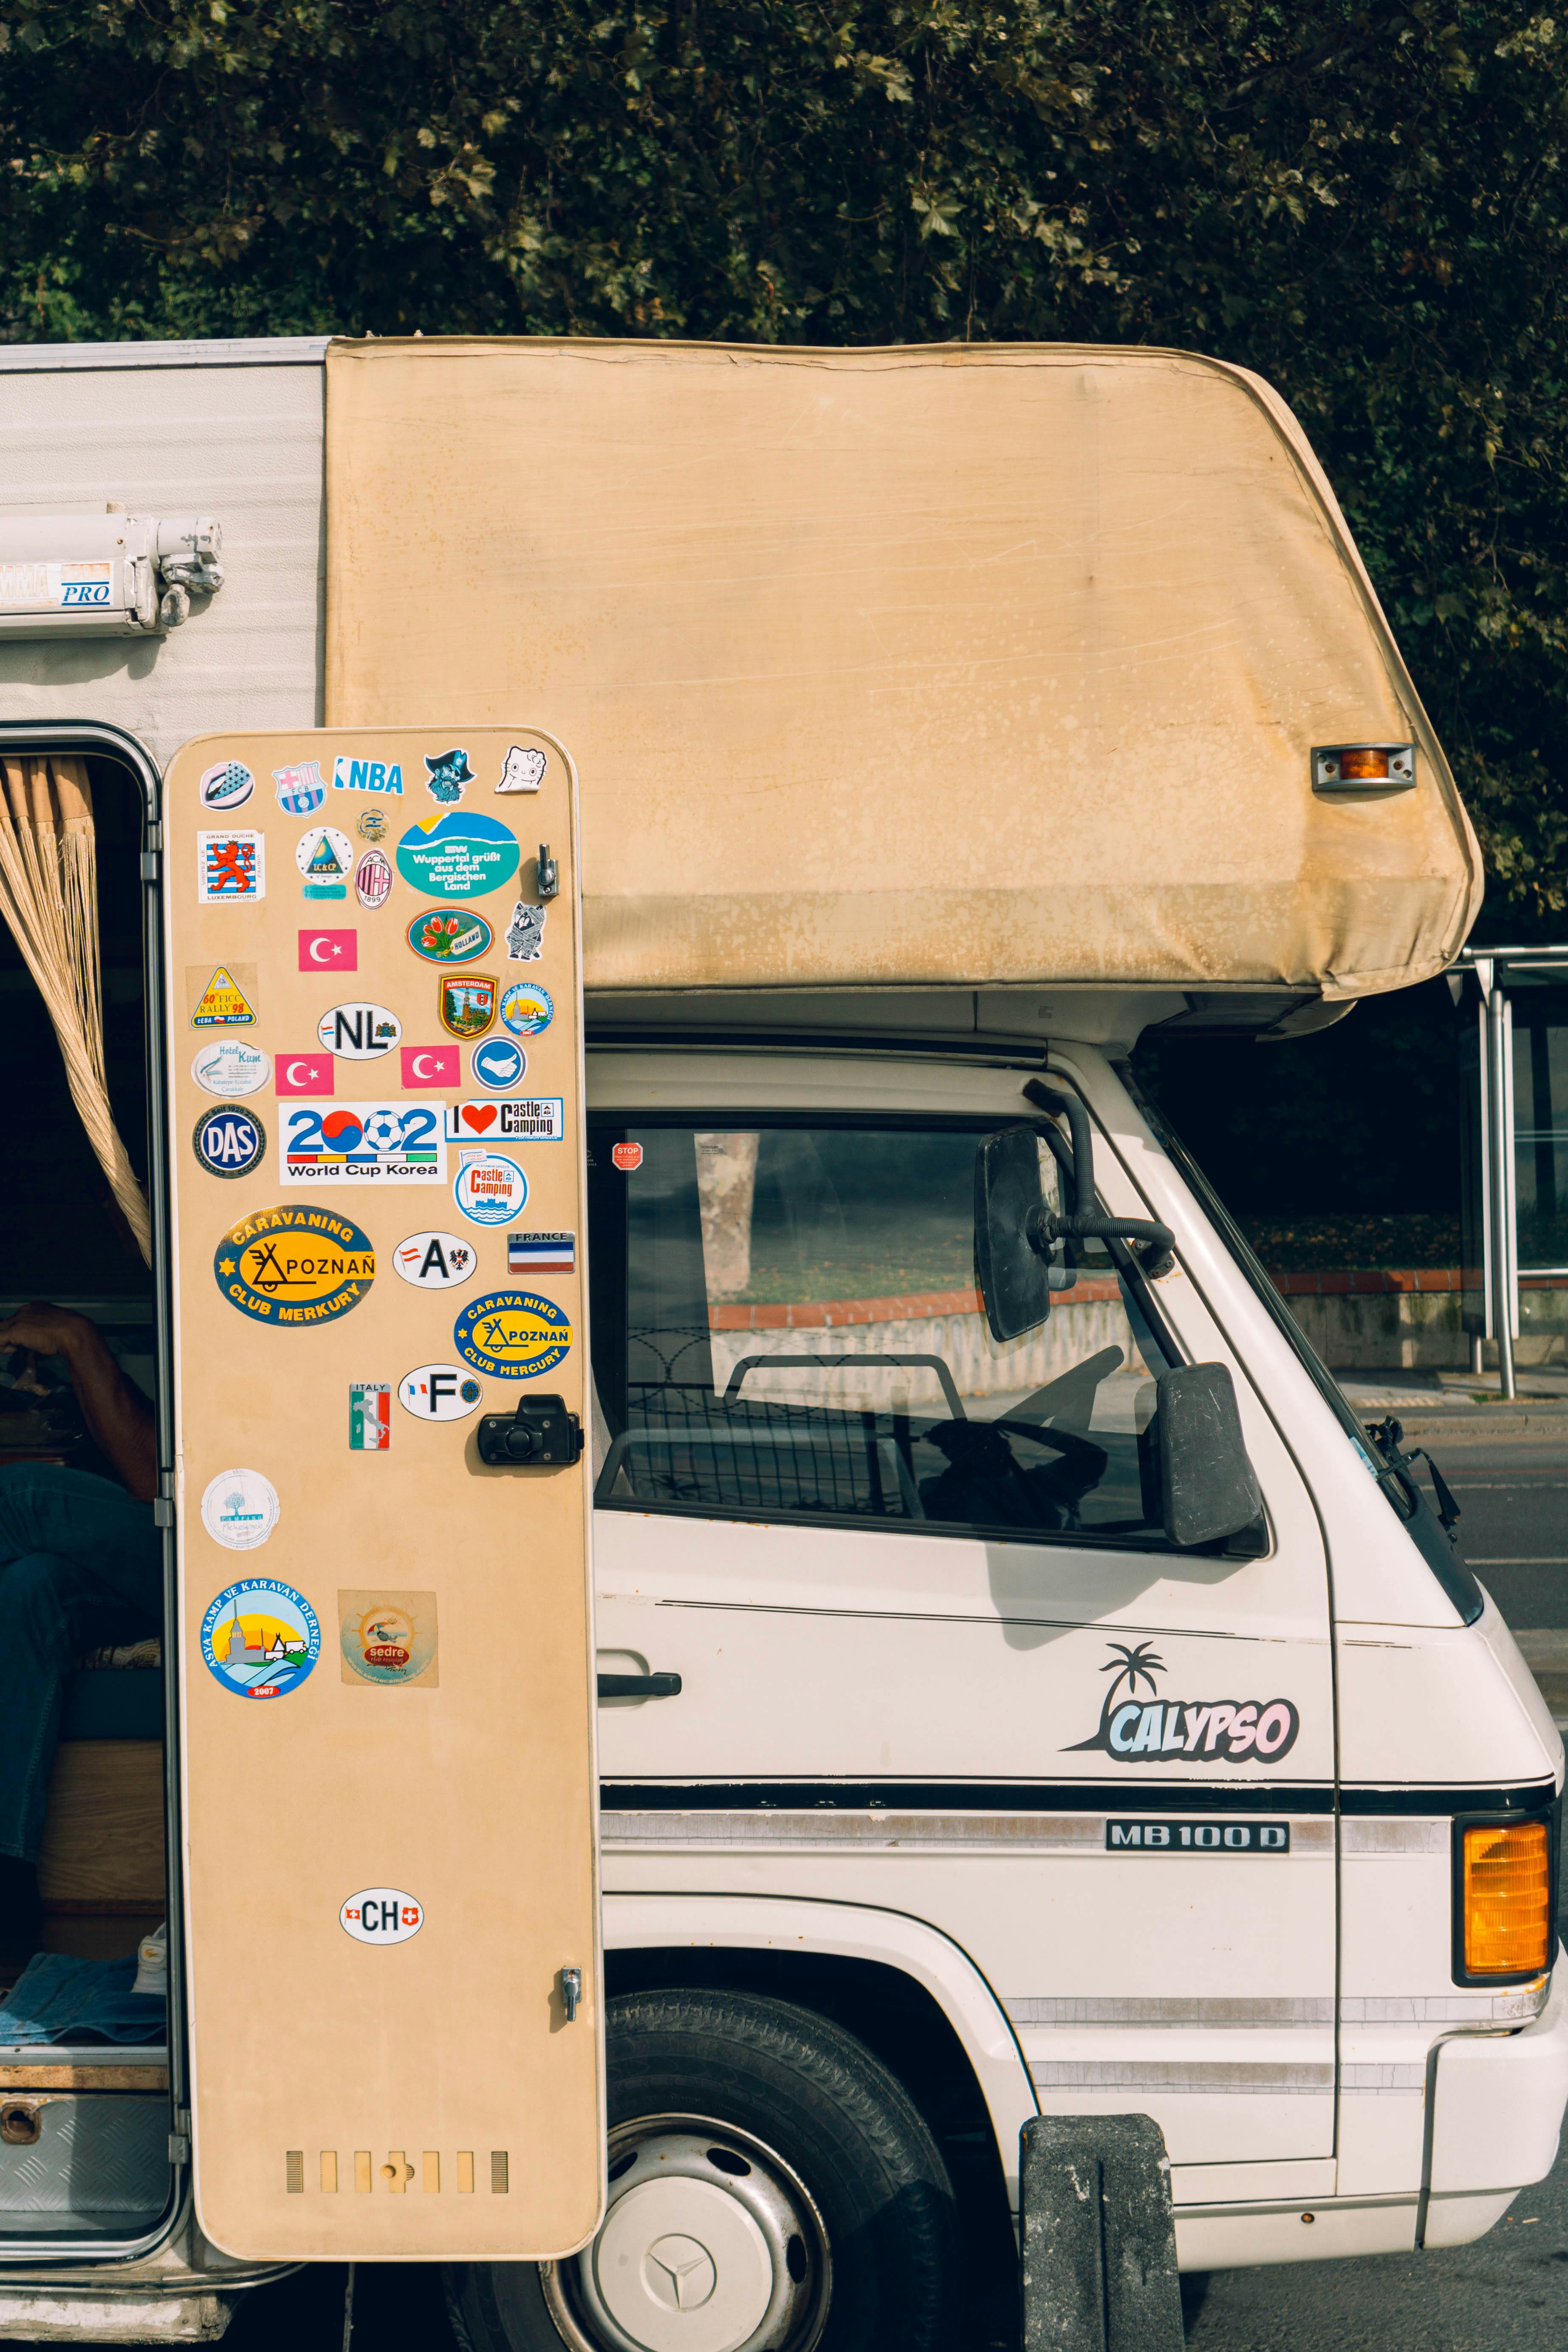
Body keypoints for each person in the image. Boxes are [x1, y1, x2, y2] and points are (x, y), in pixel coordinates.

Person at [0, 1304, 160, 1965]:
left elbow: (160, 1487)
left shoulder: (224, 1341)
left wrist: (76, 1339)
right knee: (29, 1587)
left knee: (24, 1497)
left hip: (236, 1566)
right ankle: (8, 1888)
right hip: (123, 1589)